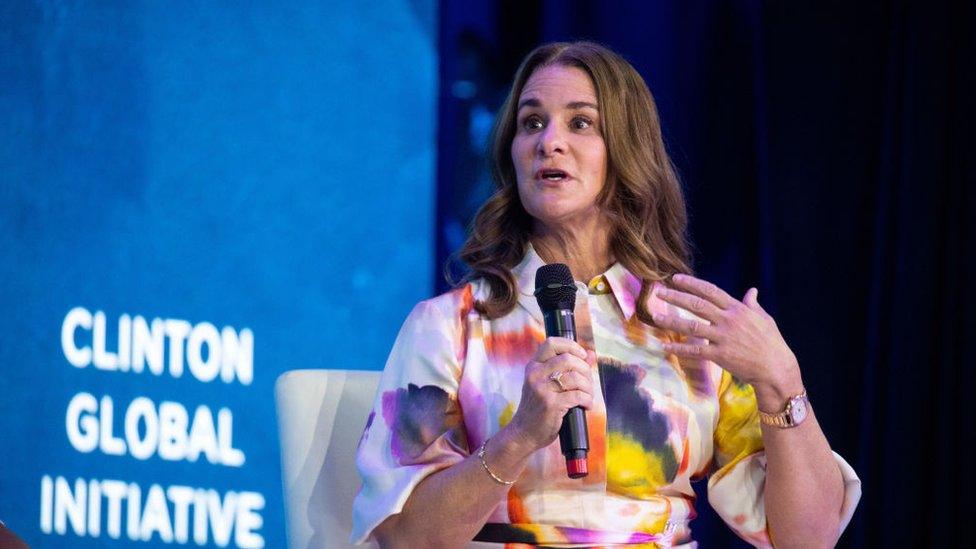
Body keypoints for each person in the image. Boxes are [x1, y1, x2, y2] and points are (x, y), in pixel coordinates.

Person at [351, 41, 860, 548]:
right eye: (531, 123)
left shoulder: (690, 327)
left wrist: (781, 381)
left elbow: (809, 540)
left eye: (580, 123)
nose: (548, 141)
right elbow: (404, 537)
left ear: (626, 147)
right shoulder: (453, 325)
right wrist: (519, 437)